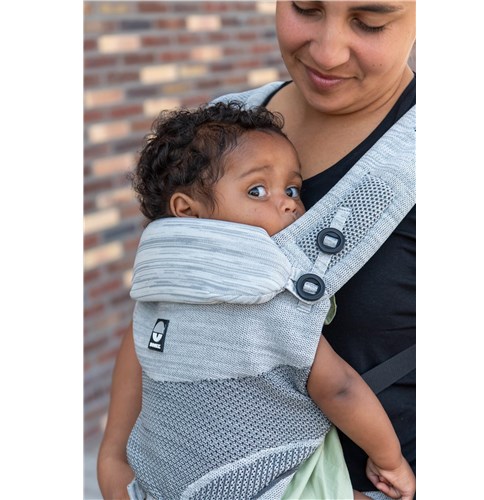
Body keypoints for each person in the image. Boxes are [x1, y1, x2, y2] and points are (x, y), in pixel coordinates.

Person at [97, 1, 416, 499]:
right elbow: (162, 306)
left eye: (369, 22)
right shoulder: (222, 134)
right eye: (305, 7)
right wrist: (115, 460)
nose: (328, 53)